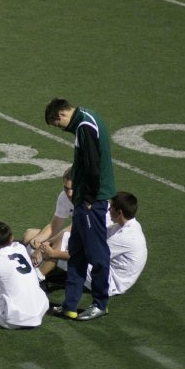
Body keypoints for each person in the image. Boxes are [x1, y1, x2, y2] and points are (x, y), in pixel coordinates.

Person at [45, 98, 116, 320]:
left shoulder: (84, 127)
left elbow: (93, 167)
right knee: (76, 253)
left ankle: (100, 303)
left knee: (96, 253)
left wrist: (88, 198)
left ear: (62, 116)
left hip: (91, 202)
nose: (61, 129)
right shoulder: (88, 115)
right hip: (85, 201)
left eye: (58, 125)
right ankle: (70, 305)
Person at [38, 192, 148, 297]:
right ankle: (47, 273)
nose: (108, 210)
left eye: (111, 207)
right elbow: (93, 236)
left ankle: (37, 281)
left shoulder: (125, 236)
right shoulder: (122, 226)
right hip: (111, 270)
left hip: (111, 282)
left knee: (62, 251)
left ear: (119, 213)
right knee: (67, 238)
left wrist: (53, 253)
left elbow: (87, 256)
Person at [22, 168, 74, 277]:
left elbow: (72, 229)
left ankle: (39, 279)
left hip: (88, 241)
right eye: (66, 188)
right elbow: (54, 225)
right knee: (29, 235)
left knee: (61, 239)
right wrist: (39, 239)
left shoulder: (87, 201)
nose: (69, 193)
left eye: (72, 188)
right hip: (72, 235)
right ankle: (43, 267)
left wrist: (45, 244)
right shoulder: (64, 197)